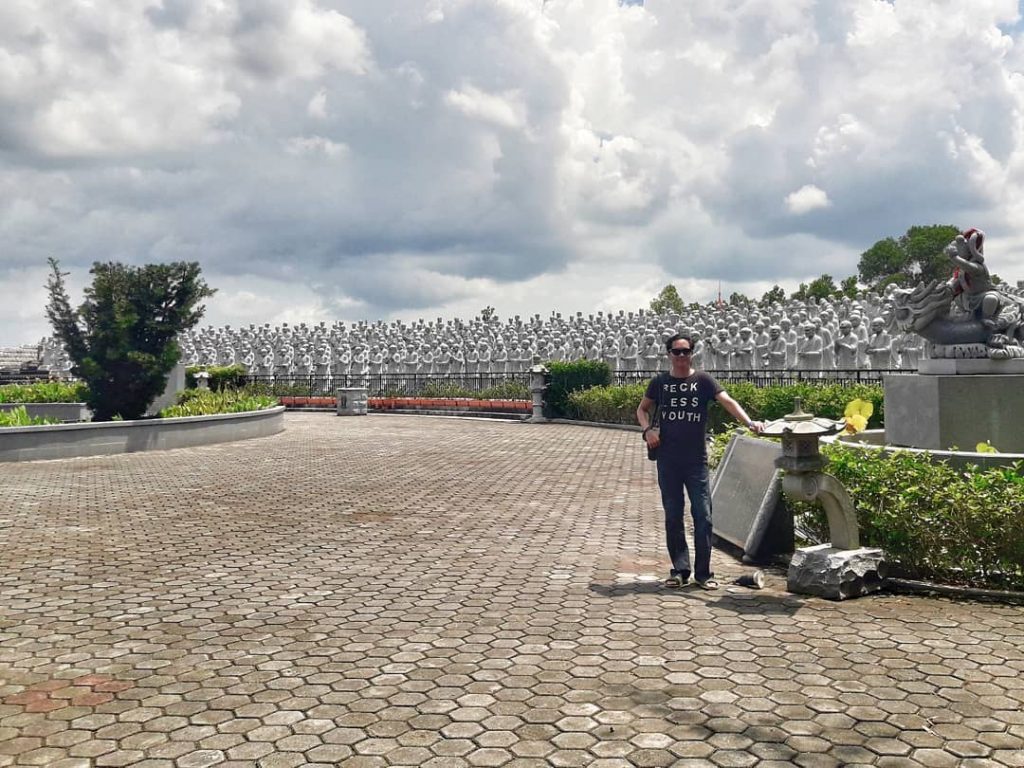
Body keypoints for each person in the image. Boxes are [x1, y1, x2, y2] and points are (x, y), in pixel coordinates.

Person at [636, 333, 764, 590]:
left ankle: (704, 573)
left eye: (686, 351)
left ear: (692, 353)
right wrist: (648, 430)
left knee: (703, 515)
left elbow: (727, 401)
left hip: (696, 460)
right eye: (676, 351)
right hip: (668, 460)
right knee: (673, 516)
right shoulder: (660, 382)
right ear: (669, 354)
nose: (681, 356)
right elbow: (642, 409)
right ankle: (680, 570)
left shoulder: (703, 380)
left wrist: (750, 422)